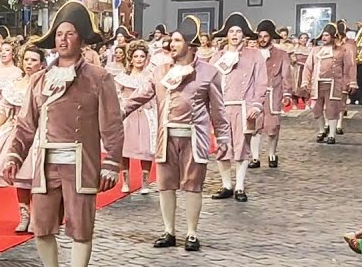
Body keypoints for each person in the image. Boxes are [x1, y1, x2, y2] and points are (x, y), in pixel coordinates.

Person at [3, 1, 124, 267]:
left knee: (81, 227)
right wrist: (14, 155)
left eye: (70, 34)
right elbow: (26, 124)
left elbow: (111, 124)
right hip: (45, 162)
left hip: (81, 162)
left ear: (80, 39)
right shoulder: (41, 79)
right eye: (59, 33)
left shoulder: (99, 78)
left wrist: (112, 163)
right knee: (41, 226)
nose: (63, 39)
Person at [122, 16, 230, 252]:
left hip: (194, 136)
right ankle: (169, 230)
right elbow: (139, 96)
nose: (172, 44)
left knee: (193, 185)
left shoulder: (209, 73)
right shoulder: (159, 71)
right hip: (165, 135)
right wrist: (118, 113)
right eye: (172, 40)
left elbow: (218, 110)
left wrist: (223, 138)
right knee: (165, 184)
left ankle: (191, 232)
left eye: (178, 41)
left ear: (190, 46)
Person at [0, 45, 46, 232]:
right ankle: (24, 215)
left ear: (41, 64)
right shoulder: (14, 85)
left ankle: (38, 215)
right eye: (27, 60)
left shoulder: (45, 84)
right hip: (15, 133)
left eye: (34, 60)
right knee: (20, 177)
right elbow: (4, 111)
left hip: (39, 133)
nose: (29, 64)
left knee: (37, 177)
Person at [210, 13, 268, 202]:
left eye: (238, 31)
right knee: (222, 146)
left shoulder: (254, 55)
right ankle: (226, 184)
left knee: (241, 146)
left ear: (244, 35)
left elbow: (261, 81)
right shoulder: (218, 56)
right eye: (231, 31)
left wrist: (257, 104)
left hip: (243, 106)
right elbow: (208, 81)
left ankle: (240, 186)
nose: (234, 35)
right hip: (220, 107)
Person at [304, 22, 356, 144]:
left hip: (334, 83)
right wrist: (306, 81)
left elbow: (349, 67)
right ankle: (322, 130)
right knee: (315, 108)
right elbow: (308, 66)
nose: (324, 38)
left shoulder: (342, 51)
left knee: (332, 109)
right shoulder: (316, 50)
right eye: (323, 35)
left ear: (333, 36)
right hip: (317, 83)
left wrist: (351, 82)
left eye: (327, 35)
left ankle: (332, 134)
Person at [115, 40, 156, 194]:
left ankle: (145, 183)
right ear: (131, 58)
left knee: (145, 149)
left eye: (142, 56)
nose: (139, 59)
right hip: (128, 117)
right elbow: (116, 93)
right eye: (136, 56)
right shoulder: (122, 77)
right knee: (125, 149)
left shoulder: (151, 77)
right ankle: (125, 181)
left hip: (145, 115)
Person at [250, 20, 292, 169]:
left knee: (272, 126)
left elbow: (286, 75)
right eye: (260, 36)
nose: (262, 39)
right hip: (255, 94)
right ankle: (255, 157)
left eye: (265, 36)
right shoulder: (252, 54)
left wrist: (287, 93)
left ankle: (272, 153)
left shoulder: (281, 54)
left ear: (271, 37)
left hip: (273, 93)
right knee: (254, 126)